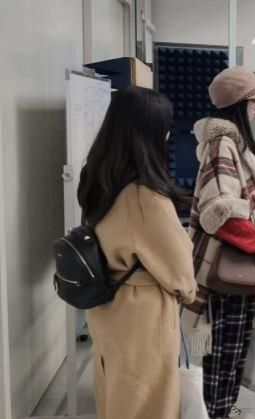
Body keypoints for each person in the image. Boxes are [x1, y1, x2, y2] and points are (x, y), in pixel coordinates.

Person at [78, 86, 197, 419]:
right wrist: (189, 292)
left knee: (117, 393)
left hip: (108, 302)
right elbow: (180, 271)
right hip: (142, 314)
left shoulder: (98, 177)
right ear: (150, 133)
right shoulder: (145, 196)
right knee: (148, 402)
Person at [180, 66, 255, 419]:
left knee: (231, 352)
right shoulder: (223, 143)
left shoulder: (234, 142)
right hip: (231, 269)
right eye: (254, 100)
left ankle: (221, 409)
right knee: (225, 354)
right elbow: (221, 211)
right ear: (239, 102)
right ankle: (217, 412)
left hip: (237, 263)